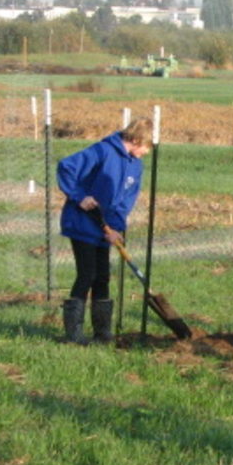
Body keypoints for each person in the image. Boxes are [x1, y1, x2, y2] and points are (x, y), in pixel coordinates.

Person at [57, 117, 152, 344]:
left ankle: (102, 333)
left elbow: (125, 201)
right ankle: (74, 334)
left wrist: (116, 228)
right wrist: (79, 196)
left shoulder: (135, 166)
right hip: (81, 223)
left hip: (104, 229)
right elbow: (66, 167)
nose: (148, 151)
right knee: (87, 274)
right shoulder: (102, 151)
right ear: (137, 140)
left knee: (102, 277)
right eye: (147, 146)